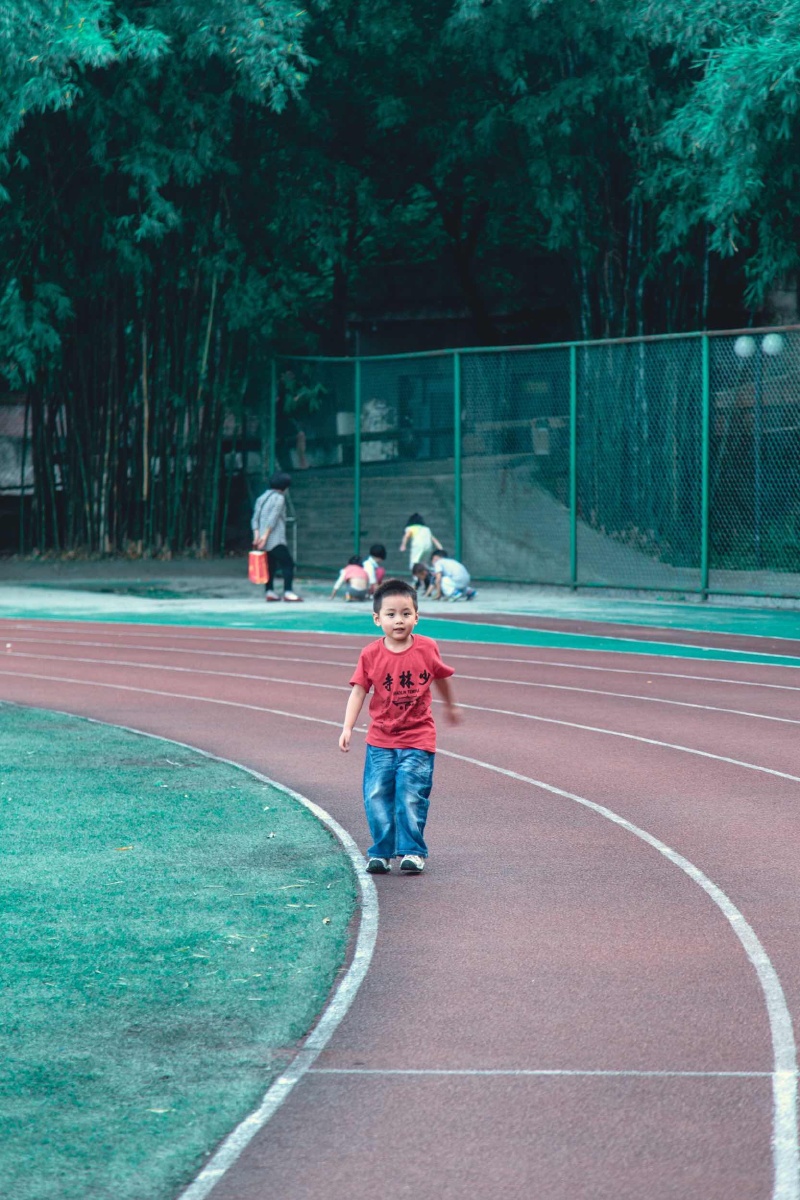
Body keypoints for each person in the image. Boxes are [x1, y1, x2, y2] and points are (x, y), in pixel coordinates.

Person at [338, 577, 459, 875]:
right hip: (380, 740)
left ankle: (412, 851)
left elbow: (441, 678)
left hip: (418, 737)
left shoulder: (427, 648)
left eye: (406, 613)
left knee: (410, 792)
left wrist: (450, 705)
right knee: (376, 794)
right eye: (391, 614)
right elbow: (359, 691)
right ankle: (381, 852)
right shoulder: (370, 654)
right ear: (377, 619)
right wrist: (347, 727)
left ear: (417, 616)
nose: (399, 620)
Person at [251, 472, 303, 602]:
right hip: (275, 539)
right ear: (285, 487)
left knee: (270, 565)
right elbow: (272, 519)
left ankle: (269, 591)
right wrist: (265, 537)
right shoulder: (279, 498)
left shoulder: (261, 498)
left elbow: (255, 519)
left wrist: (257, 537)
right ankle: (288, 592)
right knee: (288, 564)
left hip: (261, 540)